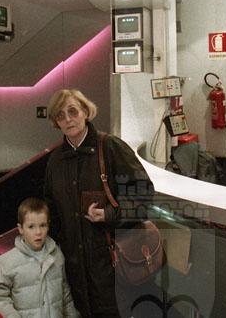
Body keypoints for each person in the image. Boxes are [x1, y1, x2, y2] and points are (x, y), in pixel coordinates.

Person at [43, 89, 154, 318]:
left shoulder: (110, 147)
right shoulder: (55, 160)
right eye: (60, 115)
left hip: (113, 267)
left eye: (73, 111)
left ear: (85, 111)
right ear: (56, 122)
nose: (68, 119)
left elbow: (144, 195)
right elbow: (52, 210)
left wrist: (110, 214)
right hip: (74, 271)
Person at [0, 197, 80, 318]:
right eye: (31, 227)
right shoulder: (6, 263)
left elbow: (65, 294)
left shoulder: (57, 255)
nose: (38, 232)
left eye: (43, 225)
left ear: (48, 226)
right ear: (20, 229)